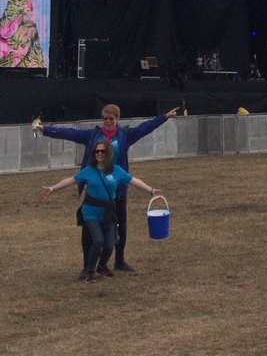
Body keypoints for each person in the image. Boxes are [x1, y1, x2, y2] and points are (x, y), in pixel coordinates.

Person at [36, 102, 179, 275]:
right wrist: (47, 130)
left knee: (121, 226)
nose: (108, 121)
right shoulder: (93, 135)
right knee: (89, 231)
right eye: (105, 118)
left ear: (117, 119)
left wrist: (164, 117)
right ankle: (86, 266)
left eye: (111, 118)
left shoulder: (125, 135)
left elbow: (145, 128)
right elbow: (70, 134)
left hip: (117, 189)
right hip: (96, 189)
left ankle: (119, 260)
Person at [41, 141, 164, 283]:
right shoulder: (89, 170)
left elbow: (133, 181)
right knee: (98, 240)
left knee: (109, 244)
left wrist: (151, 190)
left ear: (109, 153)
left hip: (108, 213)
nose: (99, 154)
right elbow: (71, 180)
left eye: (102, 151)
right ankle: (90, 271)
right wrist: (52, 188)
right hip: (91, 212)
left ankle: (101, 266)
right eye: (97, 151)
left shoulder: (117, 170)